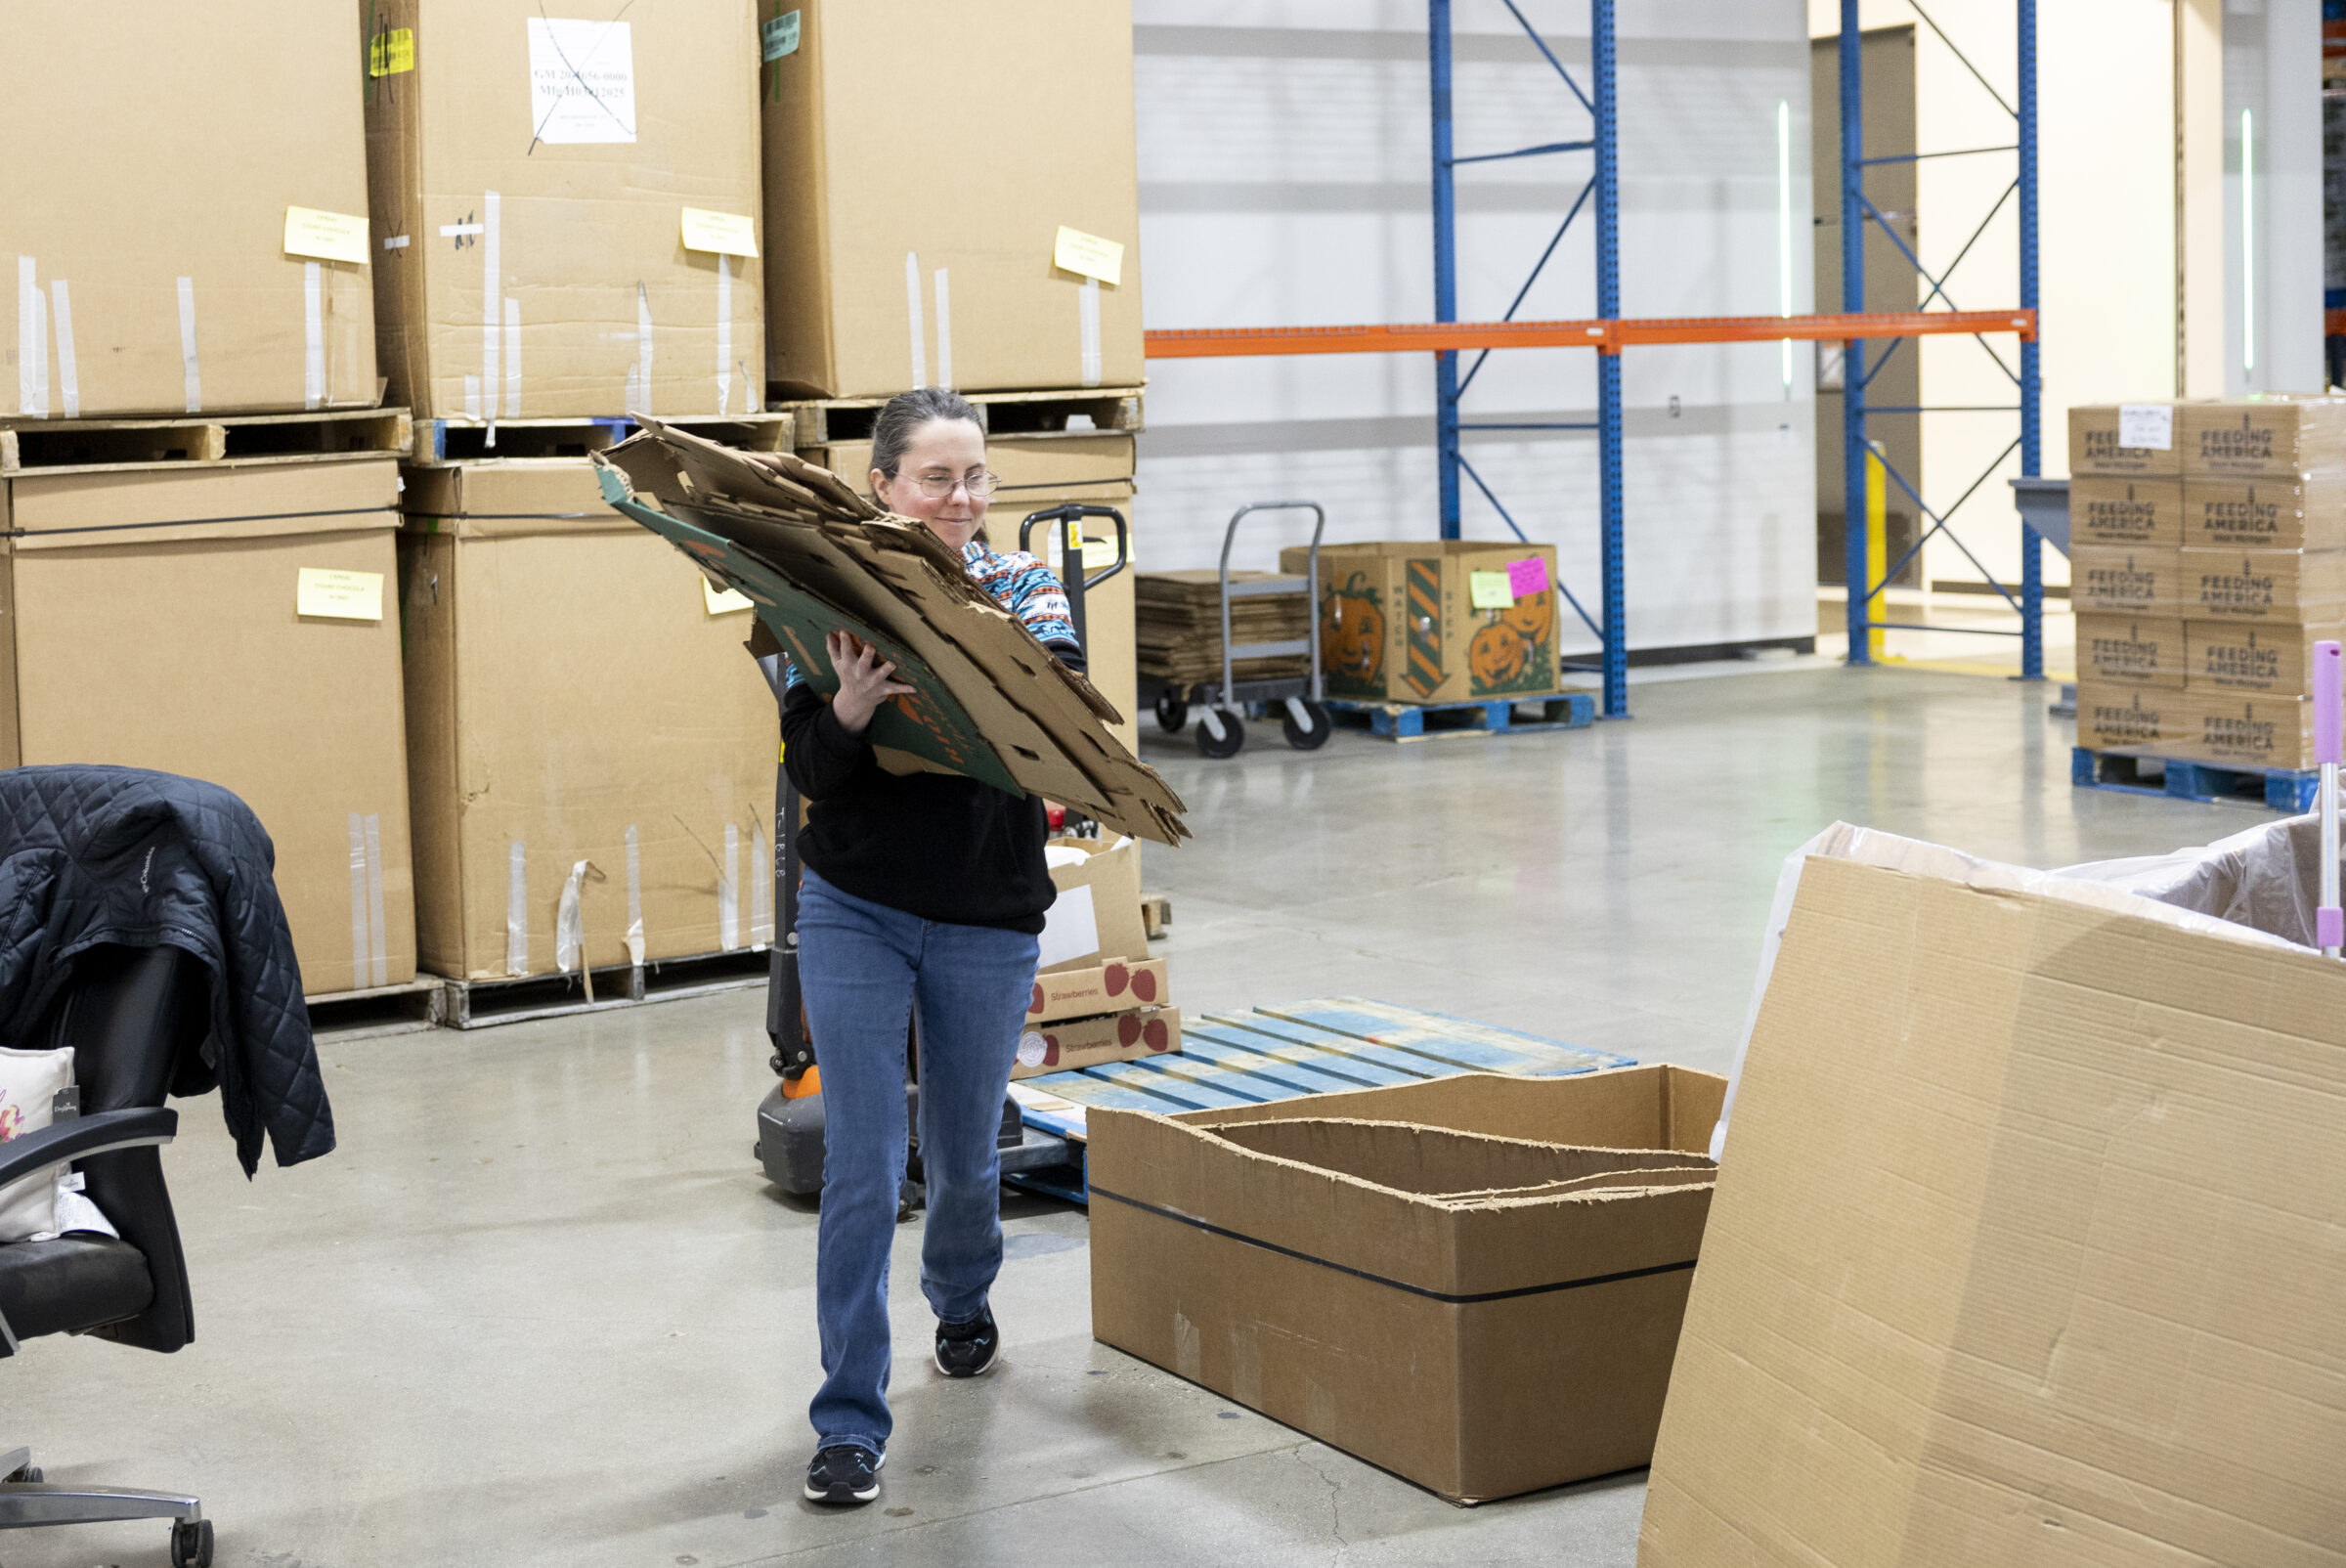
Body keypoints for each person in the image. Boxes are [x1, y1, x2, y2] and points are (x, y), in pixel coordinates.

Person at [779, 387, 1081, 1508]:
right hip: (855, 900)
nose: (963, 499)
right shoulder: (827, 602)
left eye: (977, 477)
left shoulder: (1027, 589)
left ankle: (961, 1288)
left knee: (961, 1155)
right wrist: (850, 706)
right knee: (863, 1162)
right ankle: (850, 1420)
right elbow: (809, 767)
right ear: (883, 487)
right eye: (938, 478)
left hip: (985, 909)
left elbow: (1053, 718)